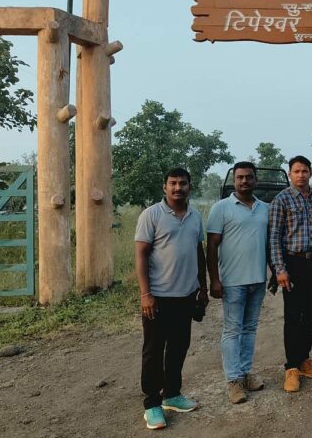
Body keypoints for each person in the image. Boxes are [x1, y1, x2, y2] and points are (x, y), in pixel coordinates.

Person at [135, 167, 208, 430]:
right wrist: (146, 294)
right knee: (154, 351)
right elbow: (141, 254)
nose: (178, 188)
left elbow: (198, 252)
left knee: (179, 347)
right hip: (158, 297)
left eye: (183, 183)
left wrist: (203, 287)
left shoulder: (195, 216)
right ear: (165, 187)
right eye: (173, 183)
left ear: (190, 186)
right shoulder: (151, 215)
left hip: (186, 296)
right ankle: (152, 404)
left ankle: (172, 394)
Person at [206, 161, 268, 404]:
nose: (244, 181)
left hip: (258, 279)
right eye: (240, 177)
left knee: (250, 328)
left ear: (256, 180)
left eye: (249, 177)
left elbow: (269, 244)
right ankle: (233, 380)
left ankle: (245, 373)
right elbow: (212, 246)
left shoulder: (265, 208)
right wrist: (214, 280)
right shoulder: (221, 208)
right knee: (232, 330)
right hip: (232, 282)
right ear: (234, 180)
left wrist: (274, 273)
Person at [269, 156, 312, 393]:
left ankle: (304, 360)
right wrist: (280, 269)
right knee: (293, 316)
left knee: (311, 314)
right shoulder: (281, 199)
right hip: (293, 263)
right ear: (290, 174)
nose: (301, 175)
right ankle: (291, 367)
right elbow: (274, 237)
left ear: (310, 173)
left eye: (304, 171)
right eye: (296, 171)